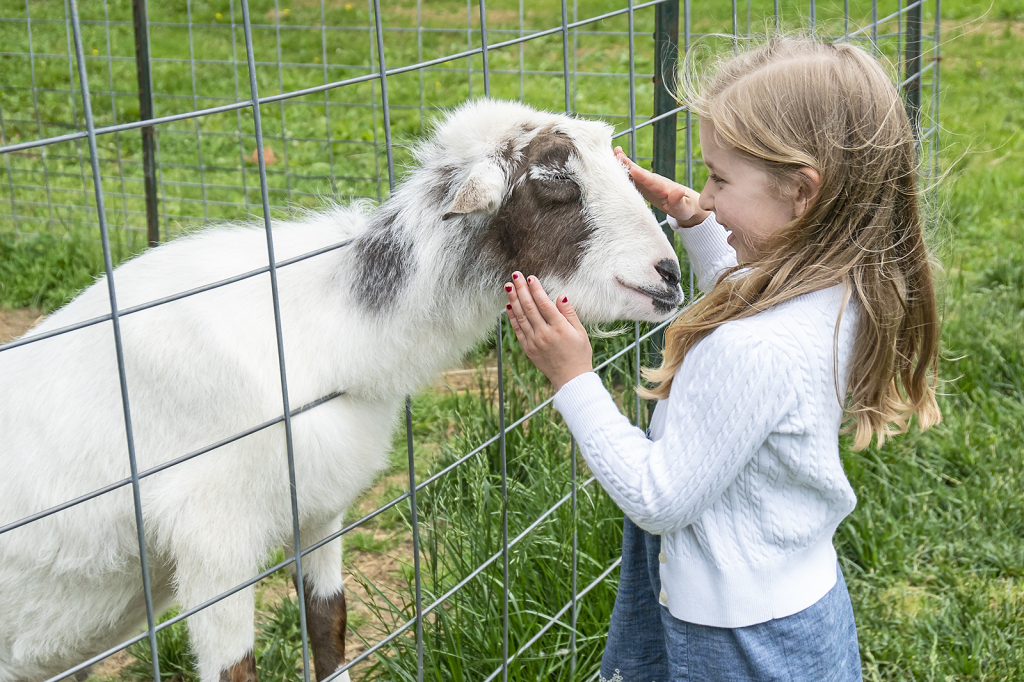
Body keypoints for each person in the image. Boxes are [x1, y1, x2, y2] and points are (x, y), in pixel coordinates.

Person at [502, 35, 941, 681]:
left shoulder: (752, 350)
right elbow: (745, 291)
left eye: (718, 178)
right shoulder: (839, 289)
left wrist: (573, 379)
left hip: (736, 642)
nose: (703, 196)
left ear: (802, 192)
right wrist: (696, 224)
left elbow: (658, 498)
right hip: (794, 608)